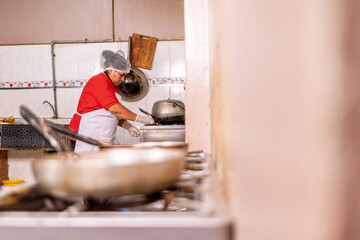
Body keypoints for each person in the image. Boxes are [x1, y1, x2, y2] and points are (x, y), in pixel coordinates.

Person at [68, 50, 154, 153]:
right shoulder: (99, 81)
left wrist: (128, 126)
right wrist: (141, 119)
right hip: (86, 138)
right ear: (111, 70)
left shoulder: (113, 87)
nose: (123, 79)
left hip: (101, 139)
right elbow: (114, 109)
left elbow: (111, 114)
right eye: (121, 75)